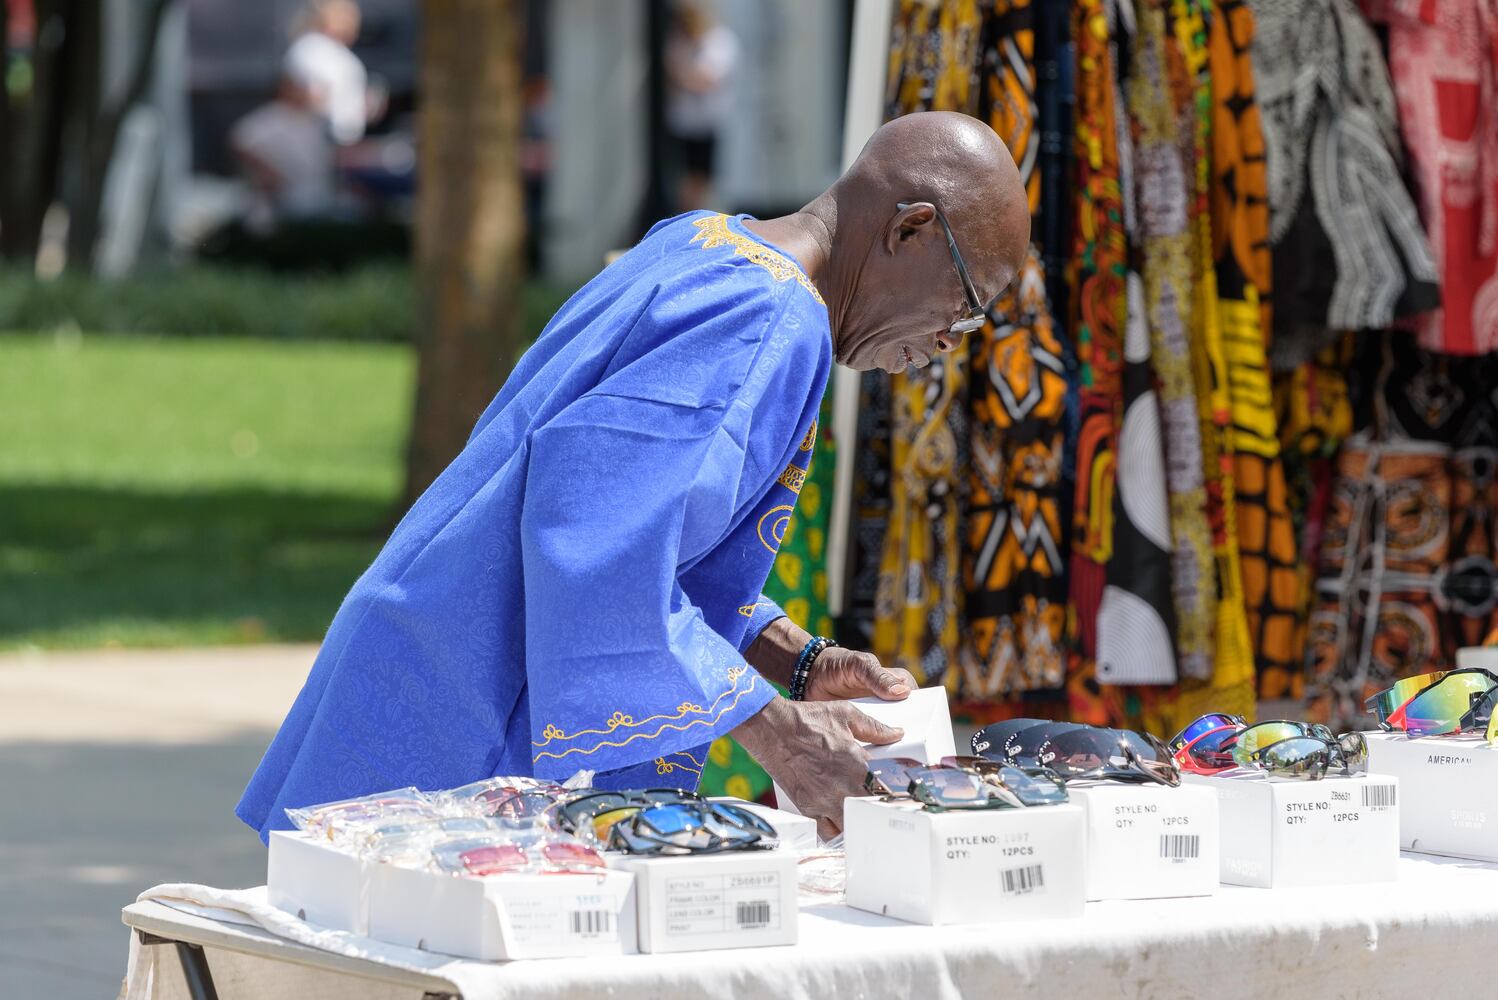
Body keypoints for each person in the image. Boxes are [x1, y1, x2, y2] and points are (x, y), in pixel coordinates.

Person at [236, 111, 1031, 839]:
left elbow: (636, 524)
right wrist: (785, 737)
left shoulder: (704, 240)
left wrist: (794, 657)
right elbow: (602, 553)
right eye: (967, 305)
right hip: (470, 711)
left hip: (426, 651)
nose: (951, 340)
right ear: (912, 229)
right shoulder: (768, 319)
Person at [229, 72, 334, 231]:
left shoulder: (313, 119)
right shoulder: (270, 116)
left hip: (315, 197)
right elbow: (241, 141)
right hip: (279, 202)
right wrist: (267, 172)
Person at [664, 1, 738, 212]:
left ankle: (696, 215)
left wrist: (682, 75)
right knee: (683, 179)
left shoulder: (719, 42)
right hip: (682, 123)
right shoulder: (678, 42)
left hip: (707, 122)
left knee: (703, 179)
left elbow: (705, 80)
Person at [284, 0, 370, 145]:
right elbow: (306, 96)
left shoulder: (338, 51)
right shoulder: (312, 47)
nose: (352, 22)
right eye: (345, 16)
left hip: (342, 141)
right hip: (315, 140)